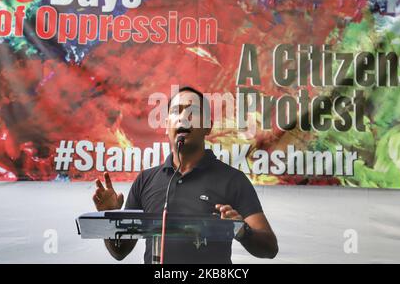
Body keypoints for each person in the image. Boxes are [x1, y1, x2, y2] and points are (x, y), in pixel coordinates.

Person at [92, 86, 278, 263]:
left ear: (208, 127)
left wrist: (242, 230)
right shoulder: (145, 180)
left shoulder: (232, 179)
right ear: (166, 126)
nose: (183, 117)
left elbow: (270, 248)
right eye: (176, 111)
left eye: (193, 112)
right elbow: (120, 251)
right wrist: (110, 215)